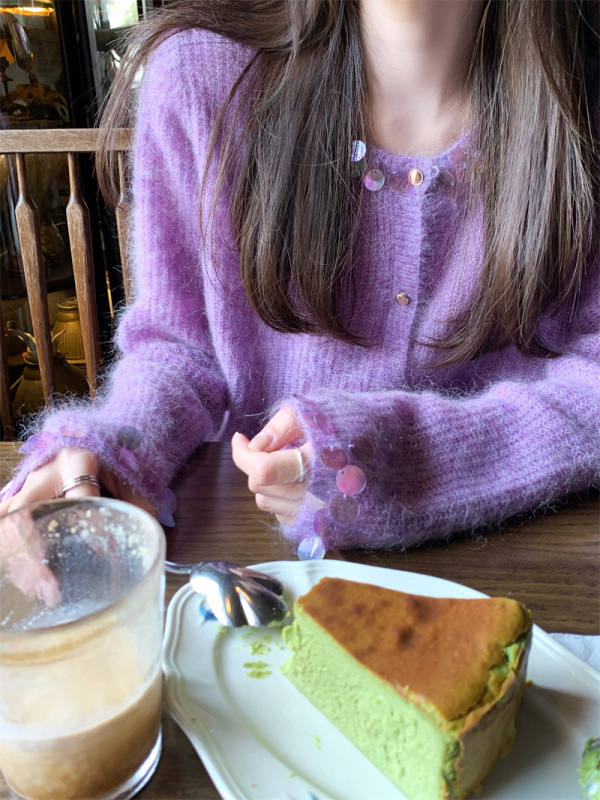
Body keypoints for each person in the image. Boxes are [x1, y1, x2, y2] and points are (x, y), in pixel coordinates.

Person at [1, 0, 598, 560]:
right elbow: (180, 348)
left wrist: (416, 460)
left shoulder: (581, 101)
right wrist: (119, 449)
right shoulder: (200, 79)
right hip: (255, 578)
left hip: (530, 576)